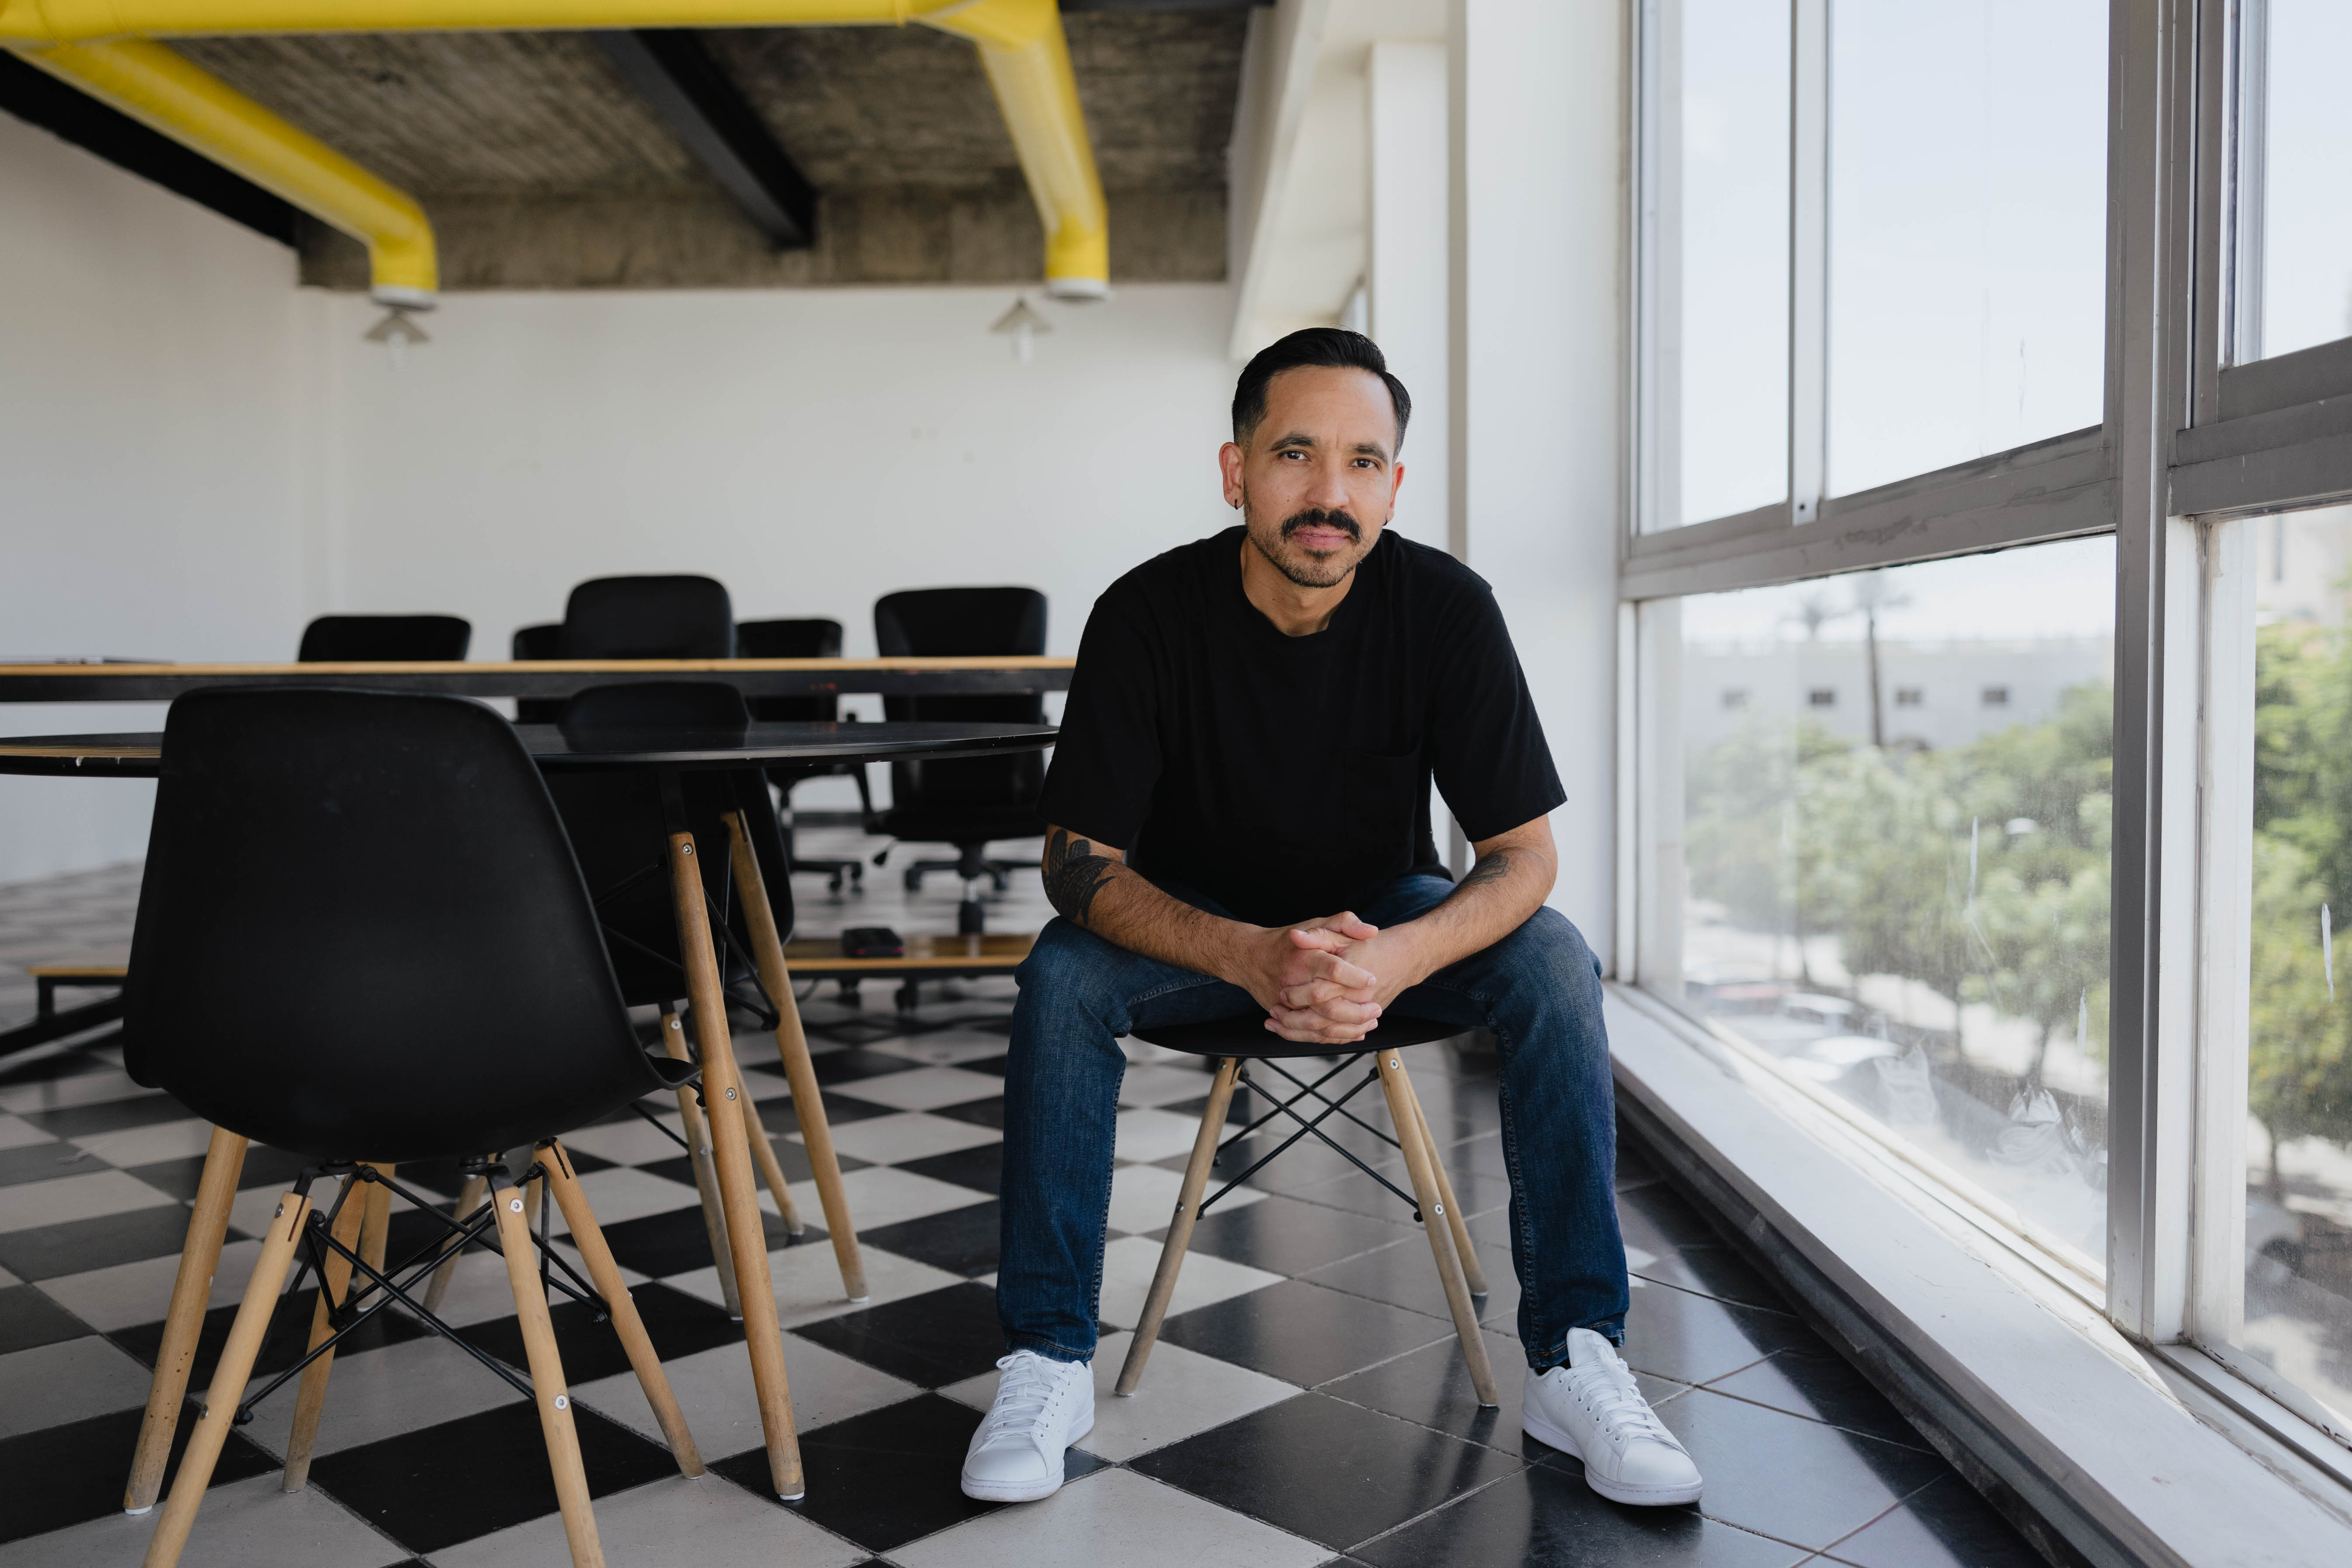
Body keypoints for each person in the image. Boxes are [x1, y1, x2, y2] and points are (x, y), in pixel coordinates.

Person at [960, 327, 1701, 1509]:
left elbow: (1524, 857)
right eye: (1296, 453)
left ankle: (1575, 1358)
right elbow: (1077, 863)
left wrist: (1394, 956)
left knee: (1556, 963)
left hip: (1378, 917)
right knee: (1060, 977)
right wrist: (1249, 953)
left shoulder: (1447, 609)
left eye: (1364, 462)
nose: (1329, 493)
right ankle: (1047, 1358)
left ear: (1395, 484)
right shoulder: (1147, 613)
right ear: (1235, 468)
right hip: (1195, 922)